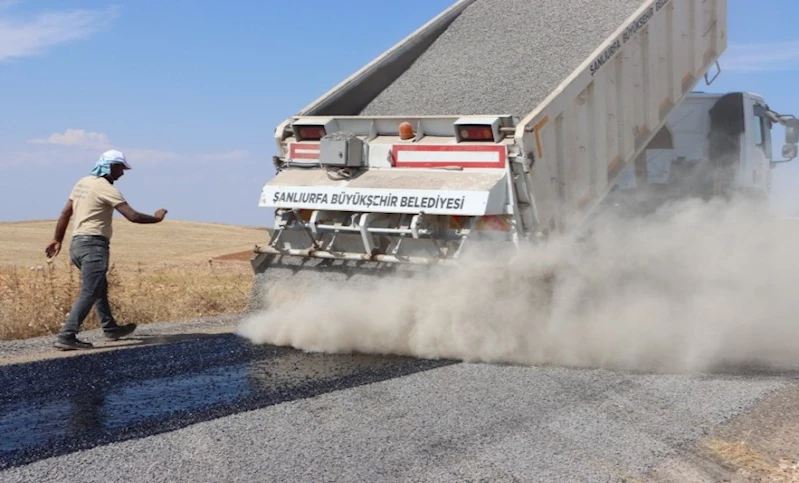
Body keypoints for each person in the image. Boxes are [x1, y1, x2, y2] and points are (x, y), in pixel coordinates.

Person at [45, 149, 168, 351]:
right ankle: (67, 335)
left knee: (99, 287)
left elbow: (66, 212)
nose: (123, 172)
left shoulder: (82, 183)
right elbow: (133, 216)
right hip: (94, 246)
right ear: (110, 166)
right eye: (121, 167)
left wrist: (57, 239)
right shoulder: (106, 188)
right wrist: (157, 218)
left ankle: (110, 328)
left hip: (76, 245)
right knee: (90, 291)